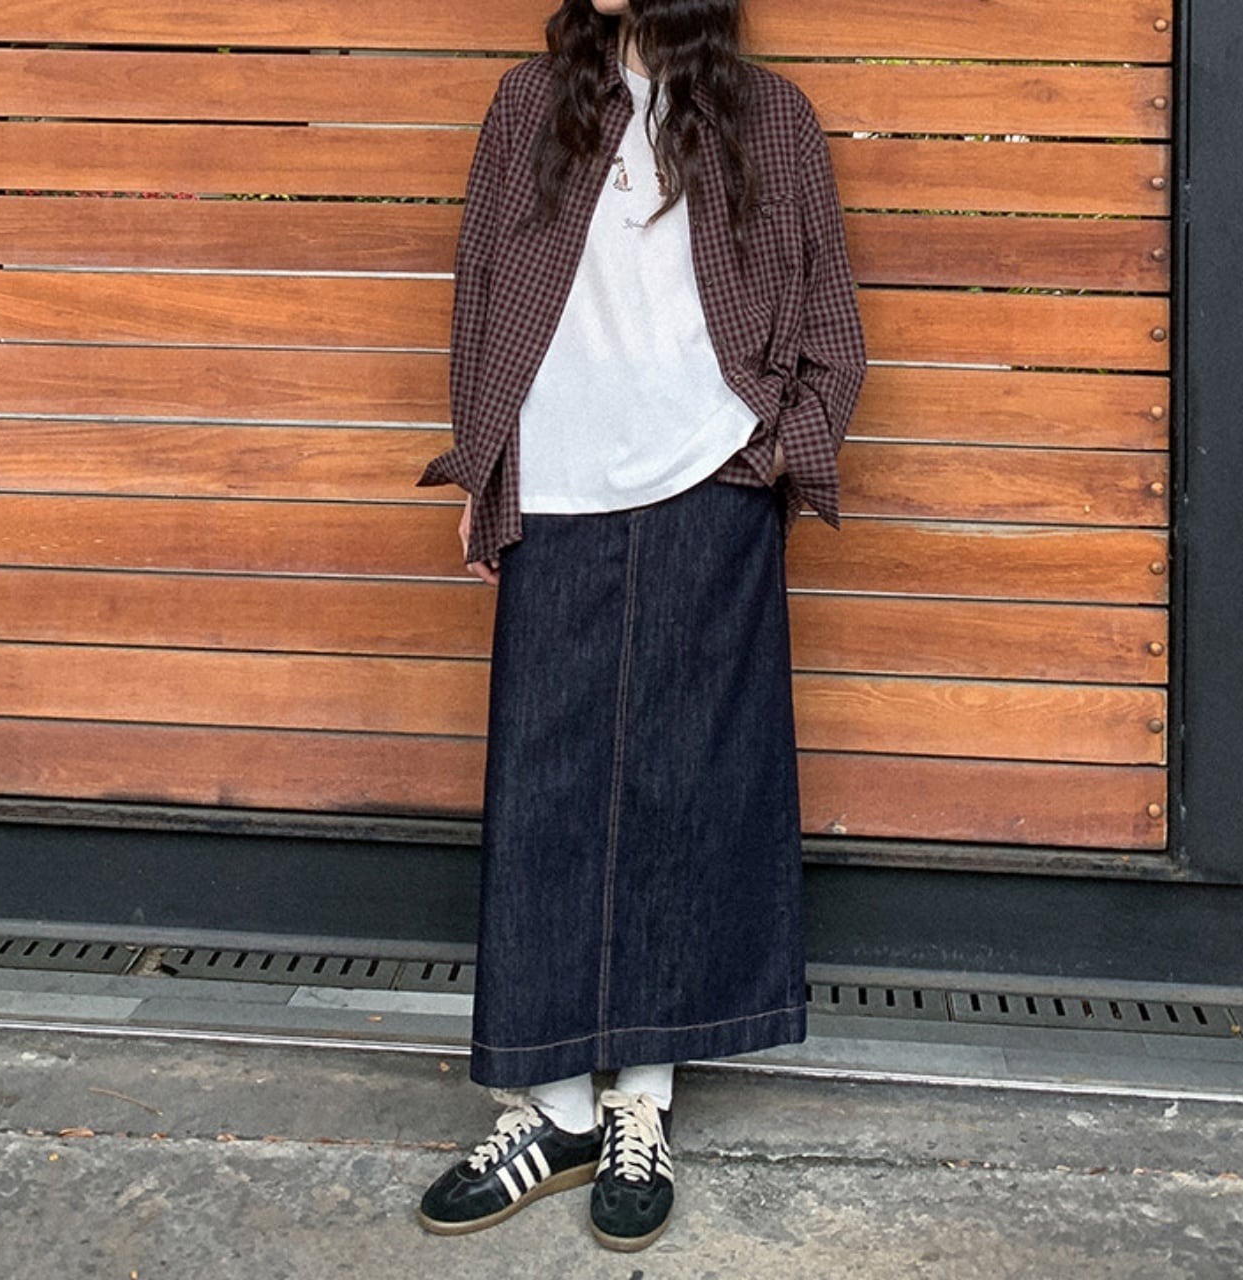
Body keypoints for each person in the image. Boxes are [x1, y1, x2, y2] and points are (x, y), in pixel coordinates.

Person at [414, 0, 866, 1252]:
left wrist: (770, 456)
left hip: (706, 488)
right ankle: (554, 1109)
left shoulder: (769, 119)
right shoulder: (528, 104)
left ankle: (639, 1103)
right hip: (557, 487)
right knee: (545, 795)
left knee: (680, 791)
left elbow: (830, 324)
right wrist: (486, 472)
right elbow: (480, 296)